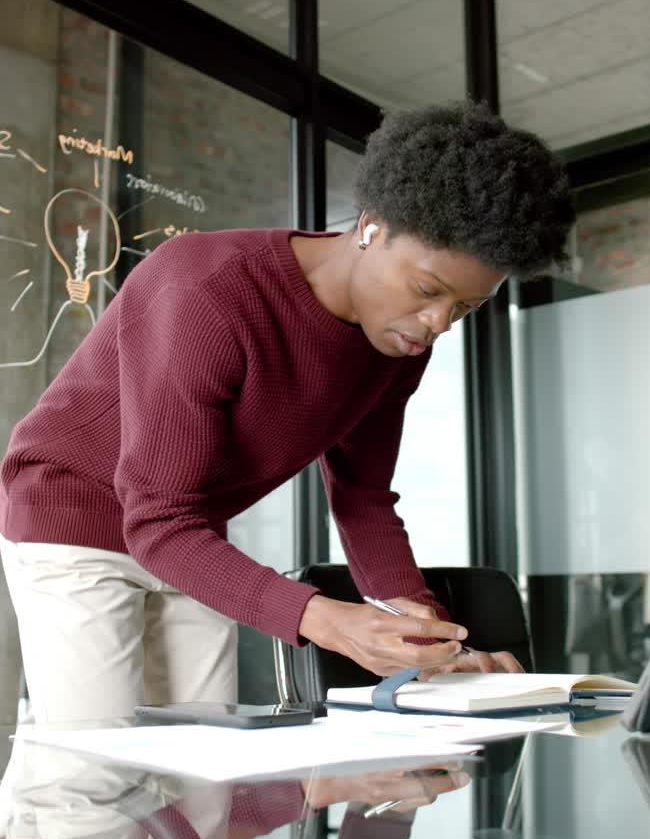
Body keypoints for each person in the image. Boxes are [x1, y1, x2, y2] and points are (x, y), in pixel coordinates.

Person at [0, 99, 575, 734]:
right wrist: (330, 621)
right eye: (427, 290)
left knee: (201, 767)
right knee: (99, 766)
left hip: (191, 538)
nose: (438, 323)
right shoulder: (209, 290)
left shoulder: (398, 344)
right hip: (74, 518)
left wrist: (426, 637)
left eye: (465, 306)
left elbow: (362, 498)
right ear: (372, 227)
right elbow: (157, 519)